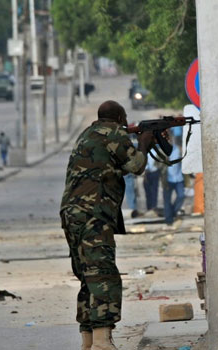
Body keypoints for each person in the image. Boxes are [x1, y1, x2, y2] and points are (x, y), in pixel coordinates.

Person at [60, 100, 154, 350]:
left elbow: (110, 169)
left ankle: (88, 342)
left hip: (71, 214)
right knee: (103, 275)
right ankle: (102, 343)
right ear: (121, 117)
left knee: (88, 277)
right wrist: (145, 141)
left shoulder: (88, 134)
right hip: (93, 214)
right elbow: (136, 165)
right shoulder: (114, 134)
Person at [162, 140, 185, 229]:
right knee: (167, 200)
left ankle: (174, 211)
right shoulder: (162, 151)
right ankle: (169, 220)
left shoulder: (178, 149)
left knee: (181, 195)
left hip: (178, 178)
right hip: (167, 179)